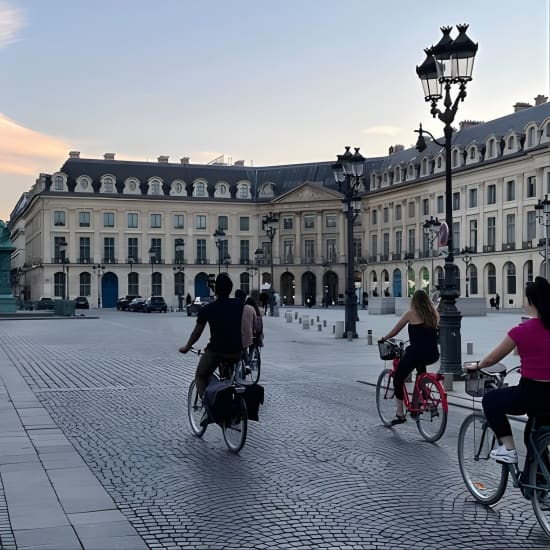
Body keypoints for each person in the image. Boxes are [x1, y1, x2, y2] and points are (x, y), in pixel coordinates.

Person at [467, 277, 550, 464]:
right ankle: (540, 482)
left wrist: (477, 366)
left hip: (531, 394)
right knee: (533, 437)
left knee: (491, 400)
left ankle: (508, 449)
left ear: (531, 302)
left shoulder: (521, 330)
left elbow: (492, 358)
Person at [378, 289, 440, 425]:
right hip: (432, 354)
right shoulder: (433, 313)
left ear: (414, 301)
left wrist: (385, 338)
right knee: (420, 375)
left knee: (398, 379)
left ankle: (400, 414)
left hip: (416, 353)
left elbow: (395, 331)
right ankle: (422, 402)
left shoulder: (410, 314)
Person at [179, 274, 244, 397]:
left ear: (215, 289)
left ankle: (208, 404)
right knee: (231, 377)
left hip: (216, 351)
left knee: (201, 375)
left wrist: (187, 347)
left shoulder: (208, 309)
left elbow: (197, 333)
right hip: (236, 351)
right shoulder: (240, 306)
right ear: (230, 289)